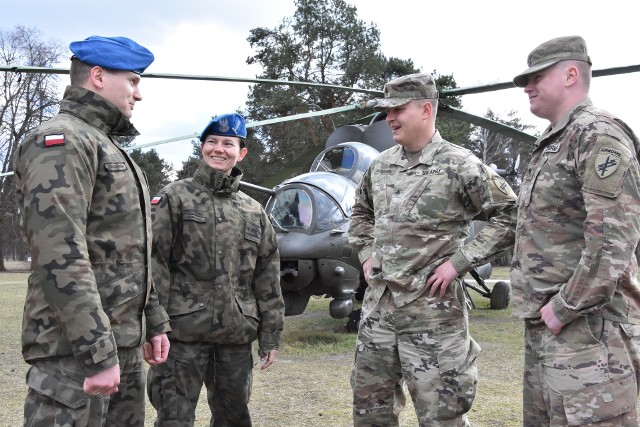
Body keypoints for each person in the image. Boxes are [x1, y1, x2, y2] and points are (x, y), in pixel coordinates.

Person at [13, 35, 171, 426]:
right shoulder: (62, 141)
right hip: (76, 354)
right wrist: (97, 353)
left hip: (121, 345)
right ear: (98, 76)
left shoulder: (106, 146)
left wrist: (153, 321)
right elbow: (59, 255)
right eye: (133, 81)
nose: (139, 93)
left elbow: (130, 252)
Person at [348, 73, 518, 426]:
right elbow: (361, 212)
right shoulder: (380, 166)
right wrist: (367, 253)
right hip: (378, 314)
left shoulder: (459, 165)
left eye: (397, 109)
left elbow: (512, 214)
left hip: (434, 318)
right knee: (370, 413)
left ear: (426, 109)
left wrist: (460, 262)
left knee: (443, 416)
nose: (389, 118)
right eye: (386, 111)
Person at [510, 35, 640, 426]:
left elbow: (613, 240)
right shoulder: (552, 143)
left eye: (536, 77)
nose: (527, 86)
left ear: (570, 74)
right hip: (552, 329)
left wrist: (563, 307)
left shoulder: (597, 134)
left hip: (588, 329)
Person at [147, 113, 285, 426]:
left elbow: (267, 275)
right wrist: (154, 325)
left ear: (241, 152)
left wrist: (271, 336)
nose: (218, 149)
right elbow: (156, 266)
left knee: (234, 418)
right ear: (202, 147)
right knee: (174, 419)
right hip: (181, 333)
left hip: (235, 336)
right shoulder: (176, 197)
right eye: (212, 142)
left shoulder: (253, 210)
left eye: (227, 143)